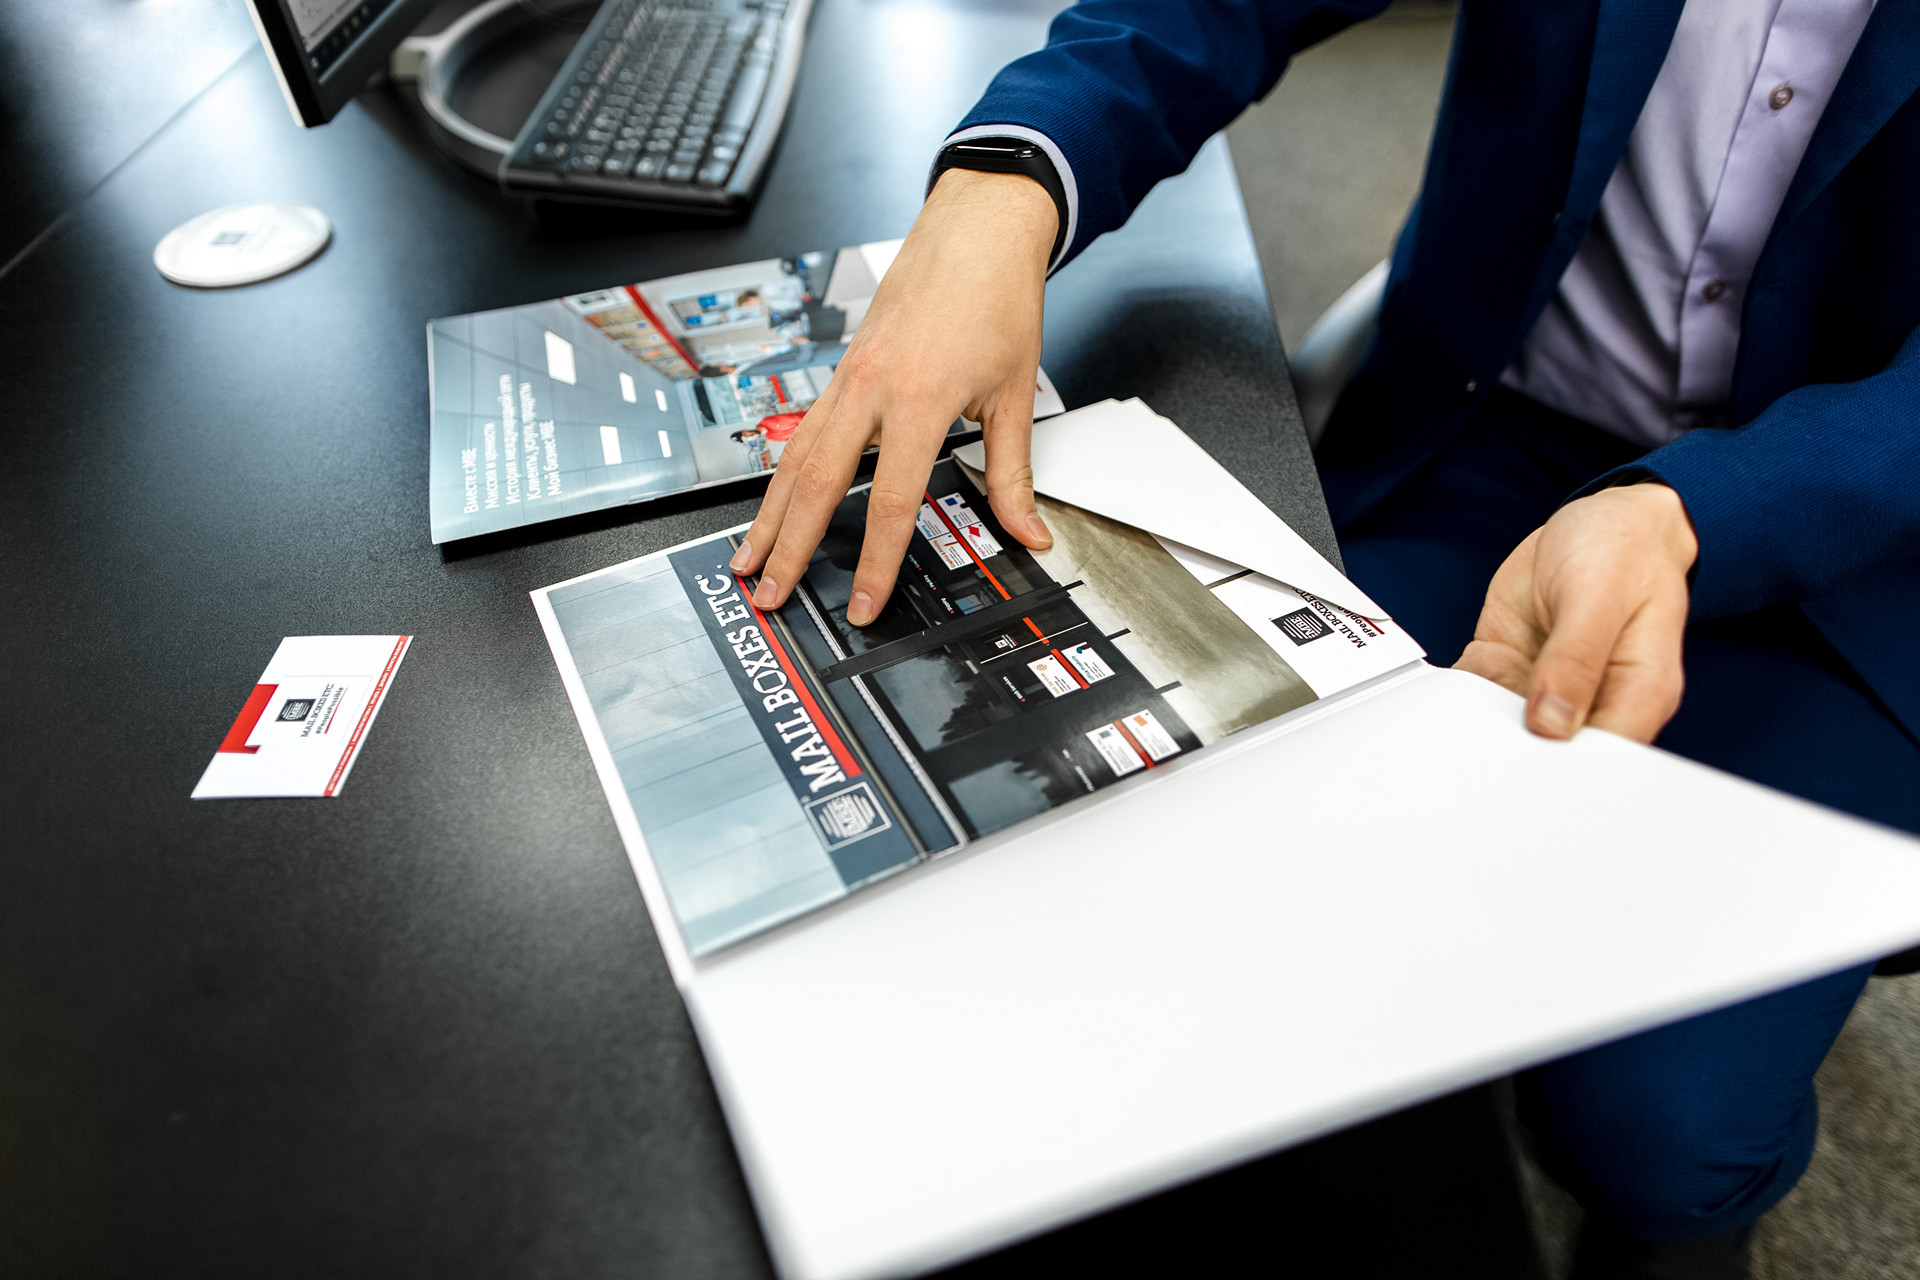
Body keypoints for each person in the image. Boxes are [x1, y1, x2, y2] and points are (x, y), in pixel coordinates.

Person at [732, 2, 1920, 1276]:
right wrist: (1003, 185)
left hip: (1853, 552)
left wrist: (1696, 508)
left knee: (1661, 1136)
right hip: (1497, 444)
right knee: (1177, 854)